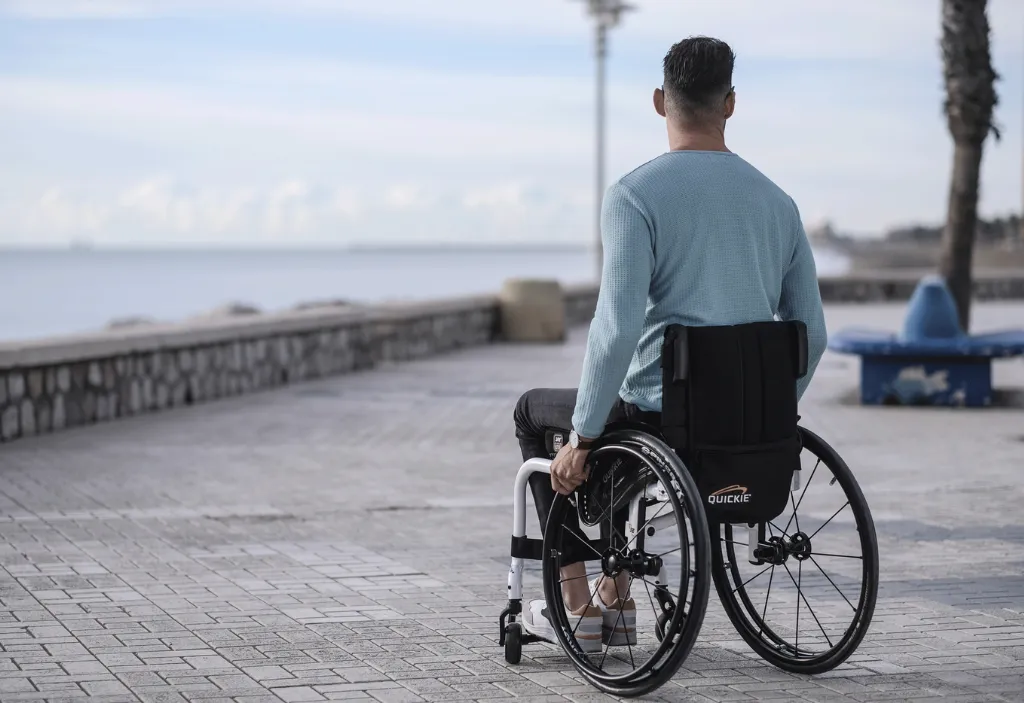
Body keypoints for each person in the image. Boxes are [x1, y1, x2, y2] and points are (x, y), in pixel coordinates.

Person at [513, 36, 828, 650]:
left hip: (657, 412)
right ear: (730, 104)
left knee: (534, 412)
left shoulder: (636, 196)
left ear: (660, 101)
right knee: (609, 426)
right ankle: (615, 593)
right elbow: (810, 333)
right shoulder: (779, 204)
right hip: (743, 416)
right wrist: (768, 405)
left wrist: (581, 436)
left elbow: (617, 327)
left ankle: (582, 602)